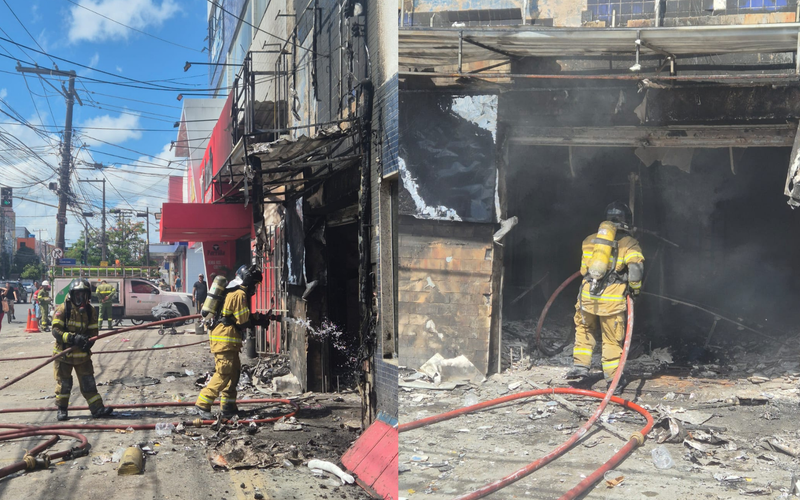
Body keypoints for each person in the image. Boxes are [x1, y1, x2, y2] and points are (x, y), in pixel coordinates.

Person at [566, 202, 644, 394]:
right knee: (611, 339)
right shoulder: (628, 243)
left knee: (585, 330)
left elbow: (584, 269)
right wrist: (635, 290)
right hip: (611, 302)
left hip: (587, 297)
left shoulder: (589, 240)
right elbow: (635, 270)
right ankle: (613, 379)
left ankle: (580, 369)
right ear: (626, 220)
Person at [194, 265, 267, 419]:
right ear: (248, 280)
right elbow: (243, 321)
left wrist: (257, 318)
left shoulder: (232, 290)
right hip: (225, 339)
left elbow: (238, 317)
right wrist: (258, 320)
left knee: (233, 374)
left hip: (228, 340)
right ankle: (202, 404)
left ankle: (228, 407)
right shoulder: (239, 294)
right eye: (254, 283)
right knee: (224, 373)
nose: (254, 287)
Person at [51, 279, 113, 421]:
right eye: (77, 295)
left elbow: (93, 332)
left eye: (83, 295)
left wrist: (88, 343)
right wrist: (73, 339)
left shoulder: (90, 311)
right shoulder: (62, 309)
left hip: (82, 356)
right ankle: (62, 409)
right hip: (64, 355)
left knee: (88, 383)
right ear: (72, 294)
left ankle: (97, 409)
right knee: (64, 384)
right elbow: (56, 331)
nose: (80, 298)